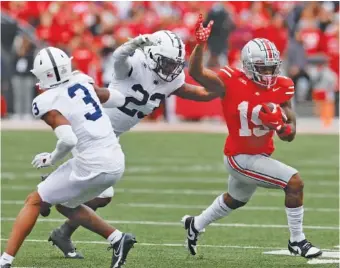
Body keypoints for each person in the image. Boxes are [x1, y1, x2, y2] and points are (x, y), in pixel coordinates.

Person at [47, 30, 221, 258]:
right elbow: (119, 57)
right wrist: (133, 43)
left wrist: (219, 90)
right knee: (98, 193)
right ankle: (50, 196)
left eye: (175, 64)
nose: (171, 69)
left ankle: (60, 224)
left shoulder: (171, 78)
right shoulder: (134, 64)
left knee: (101, 197)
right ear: (151, 55)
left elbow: (197, 92)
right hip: (92, 129)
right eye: (167, 63)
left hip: (110, 135)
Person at [181, 14, 322, 259]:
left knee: (235, 199)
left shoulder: (283, 85)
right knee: (294, 182)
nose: (268, 73)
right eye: (262, 67)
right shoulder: (230, 80)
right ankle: (297, 241)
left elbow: (289, 133)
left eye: (271, 67)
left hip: (259, 153)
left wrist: (282, 127)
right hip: (239, 156)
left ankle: (195, 224)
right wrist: (200, 45)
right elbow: (197, 73)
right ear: (248, 65)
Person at [0, 47, 136, 268]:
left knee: (34, 200)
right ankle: (117, 239)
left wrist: (51, 157)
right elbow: (119, 99)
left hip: (92, 164)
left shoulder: (45, 101)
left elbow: (68, 139)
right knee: (64, 205)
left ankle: (4, 261)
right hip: (115, 159)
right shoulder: (83, 81)